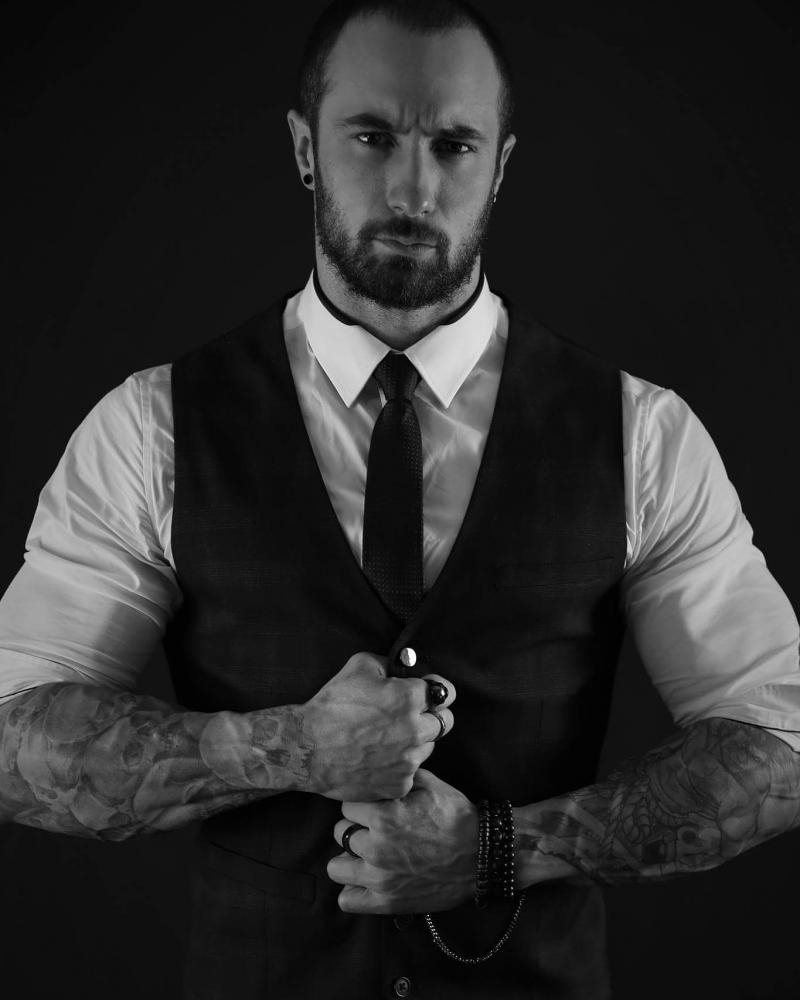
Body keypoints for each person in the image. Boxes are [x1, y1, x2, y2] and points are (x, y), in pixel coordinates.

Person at [1, 1, 799, 997]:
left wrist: (498, 849)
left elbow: (780, 740)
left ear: (500, 166)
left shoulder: (640, 433)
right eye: (372, 137)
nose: (413, 189)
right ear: (305, 149)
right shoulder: (151, 426)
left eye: (453, 146)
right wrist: (286, 747)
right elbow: (11, 731)